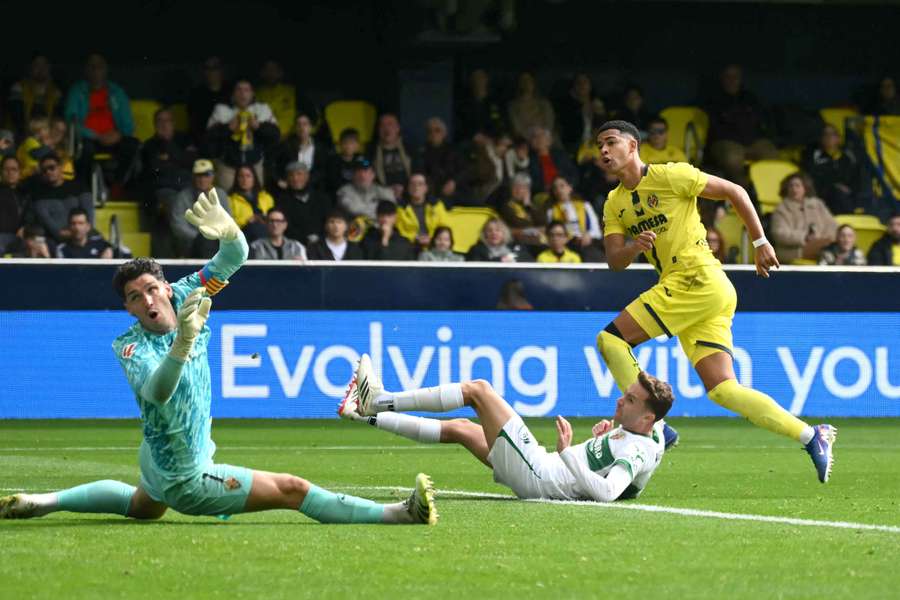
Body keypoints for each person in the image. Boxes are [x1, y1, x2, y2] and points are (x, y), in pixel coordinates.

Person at [0, 190, 436, 525]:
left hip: (156, 458)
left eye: (152, 288)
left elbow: (234, 257)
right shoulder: (130, 346)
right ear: (129, 309)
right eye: (135, 297)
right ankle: (400, 514)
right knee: (293, 489)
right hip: (187, 477)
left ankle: (45, 502)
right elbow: (157, 390)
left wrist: (230, 233)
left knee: (142, 506)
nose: (148, 299)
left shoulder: (189, 291)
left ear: (166, 289)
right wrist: (182, 345)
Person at [595, 119, 836, 483]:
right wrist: (634, 247)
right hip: (706, 290)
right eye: (599, 145)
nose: (603, 151)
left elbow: (735, 191)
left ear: (633, 146)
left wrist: (759, 242)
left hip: (696, 278)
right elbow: (615, 261)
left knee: (610, 339)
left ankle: (654, 427)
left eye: (611, 142)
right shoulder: (615, 204)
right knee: (724, 389)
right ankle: (810, 435)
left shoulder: (671, 175)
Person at [340, 355, 671, 503]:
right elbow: (665, 437)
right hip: (543, 469)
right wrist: (599, 444)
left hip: (542, 474)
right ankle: (360, 413)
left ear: (646, 419)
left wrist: (568, 453)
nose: (619, 401)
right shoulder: (647, 432)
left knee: (479, 390)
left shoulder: (637, 450)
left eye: (629, 400)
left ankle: (379, 401)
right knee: (461, 429)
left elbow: (609, 493)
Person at [64, 54, 139, 185]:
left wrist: (119, 134)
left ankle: (118, 185)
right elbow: (71, 121)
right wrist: (96, 136)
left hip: (114, 138)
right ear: (86, 70)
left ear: (106, 69)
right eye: (92, 67)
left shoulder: (116, 92)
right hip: (89, 139)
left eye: (100, 67)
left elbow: (128, 123)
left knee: (132, 145)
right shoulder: (77, 91)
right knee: (84, 149)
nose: (96, 71)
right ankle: (85, 187)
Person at [206, 80, 280, 190]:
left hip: (254, 165)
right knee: (226, 203)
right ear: (233, 93)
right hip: (228, 166)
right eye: (239, 90)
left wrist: (259, 127)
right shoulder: (222, 109)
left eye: (246, 90)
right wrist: (228, 128)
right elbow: (209, 137)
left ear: (252, 93)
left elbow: (276, 135)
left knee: (255, 200)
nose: (242, 94)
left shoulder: (262, 109)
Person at [704, 64, 777, 169]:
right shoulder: (711, 101)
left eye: (735, 77)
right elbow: (714, 131)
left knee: (771, 155)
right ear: (722, 79)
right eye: (728, 77)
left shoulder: (750, 99)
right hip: (727, 143)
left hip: (752, 141)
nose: (732, 80)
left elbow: (761, 124)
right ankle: (742, 185)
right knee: (732, 159)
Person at [139, 108, 196, 222]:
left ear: (173, 123)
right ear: (154, 124)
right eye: (160, 121)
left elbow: (191, 162)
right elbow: (155, 168)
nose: (164, 124)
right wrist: (178, 158)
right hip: (164, 189)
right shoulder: (149, 145)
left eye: (167, 120)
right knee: (177, 203)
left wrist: (169, 148)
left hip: (187, 186)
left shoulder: (185, 139)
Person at [770, 172, 837, 263]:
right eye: (791, 186)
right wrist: (805, 237)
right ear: (786, 189)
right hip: (794, 250)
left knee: (837, 243)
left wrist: (820, 238)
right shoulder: (781, 209)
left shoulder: (817, 204)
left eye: (798, 186)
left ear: (805, 188)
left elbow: (832, 225)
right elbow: (779, 234)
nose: (794, 189)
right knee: (830, 249)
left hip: (823, 243)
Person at [27, 153, 93, 243]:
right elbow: (47, 222)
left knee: (107, 248)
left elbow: (89, 216)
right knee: (36, 241)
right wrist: (61, 233)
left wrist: (80, 233)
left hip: (84, 236)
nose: (48, 172)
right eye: (44, 170)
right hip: (53, 239)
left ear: (60, 167)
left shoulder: (80, 188)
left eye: (52, 167)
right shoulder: (37, 196)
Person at [169, 159, 230, 258]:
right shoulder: (183, 196)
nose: (202, 179)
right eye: (199, 175)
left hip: (217, 240)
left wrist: (216, 236)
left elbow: (228, 221)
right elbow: (178, 225)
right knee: (205, 244)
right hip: (191, 243)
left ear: (213, 176)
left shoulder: (221, 195)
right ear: (193, 177)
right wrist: (199, 237)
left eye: (206, 175)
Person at [803, 124, 867, 216]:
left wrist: (850, 189)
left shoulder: (848, 157)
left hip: (847, 196)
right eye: (825, 134)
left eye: (832, 134)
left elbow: (857, 178)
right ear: (821, 139)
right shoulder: (813, 156)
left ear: (839, 139)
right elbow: (811, 177)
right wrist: (833, 185)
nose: (829, 137)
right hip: (822, 194)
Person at [545, 175, 603, 262]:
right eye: (555, 188)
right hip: (567, 245)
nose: (559, 190)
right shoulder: (551, 211)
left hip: (589, 243)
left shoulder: (585, 206)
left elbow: (596, 231)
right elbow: (553, 234)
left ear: (570, 188)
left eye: (562, 186)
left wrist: (588, 236)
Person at [276, 161, 332, 248]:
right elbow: (285, 226)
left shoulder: (322, 198)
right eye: (291, 175)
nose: (295, 178)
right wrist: (304, 239)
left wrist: (319, 238)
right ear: (287, 179)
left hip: (323, 244)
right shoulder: (282, 201)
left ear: (307, 176)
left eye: (299, 174)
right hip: (293, 246)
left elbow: (329, 220)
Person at [8, 55, 63, 139]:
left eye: (44, 65)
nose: (41, 69)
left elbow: (56, 119)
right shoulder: (19, 87)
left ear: (49, 68)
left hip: (46, 136)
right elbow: (17, 119)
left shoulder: (55, 92)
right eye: (37, 65)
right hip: (21, 135)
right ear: (30, 68)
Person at [273, 113, 329, 190]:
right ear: (295, 128)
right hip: (289, 186)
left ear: (311, 127)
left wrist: (307, 182)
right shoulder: (286, 145)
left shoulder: (319, 147)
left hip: (312, 186)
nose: (301, 127)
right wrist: (279, 180)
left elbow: (322, 170)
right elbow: (272, 164)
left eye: (305, 124)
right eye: (298, 124)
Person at [416, 117, 465, 202]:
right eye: (430, 131)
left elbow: (464, 170)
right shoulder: (421, 152)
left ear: (444, 133)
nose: (433, 133)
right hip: (432, 192)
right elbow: (421, 174)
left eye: (437, 130)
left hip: (455, 189)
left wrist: (454, 182)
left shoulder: (454, 150)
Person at [557, 73, 607, 155]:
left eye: (585, 82)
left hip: (596, 147)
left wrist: (599, 113)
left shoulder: (597, 104)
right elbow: (568, 130)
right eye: (578, 83)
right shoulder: (566, 107)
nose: (582, 86)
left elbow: (603, 129)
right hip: (574, 148)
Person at [395, 173, 450, 248]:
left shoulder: (436, 205)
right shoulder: (401, 208)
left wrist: (432, 238)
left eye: (420, 184)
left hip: (434, 245)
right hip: (410, 246)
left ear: (426, 188)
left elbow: (444, 226)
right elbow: (400, 231)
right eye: (412, 184)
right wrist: (415, 238)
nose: (416, 187)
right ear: (408, 188)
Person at [187, 57, 231, 148]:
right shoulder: (196, 94)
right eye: (207, 68)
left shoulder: (231, 92)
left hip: (229, 142)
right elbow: (194, 123)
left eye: (214, 68)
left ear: (221, 70)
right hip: (204, 143)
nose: (211, 72)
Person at [454, 68, 505, 143]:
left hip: (492, 141)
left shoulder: (493, 104)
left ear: (486, 79)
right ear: (471, 82)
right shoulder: (464, 105)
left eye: (481, 78)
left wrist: (495, 138)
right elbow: (462, 127)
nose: (479, 81)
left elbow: (496, 121)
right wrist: (474, 136)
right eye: (476, 79)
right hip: (471, 142)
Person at [228, 164, 275, 243]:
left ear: (254, 178)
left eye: (248, 176)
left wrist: (265, 219)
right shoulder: (230, 200)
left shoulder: (266, 197)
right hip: (242, 233)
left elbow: (275, 216)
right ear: (237, 179)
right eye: (241, 176)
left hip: (267, 230)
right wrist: (248, 220)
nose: (244, 179)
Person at [498, 173, 545, 250]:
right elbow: (518, 223)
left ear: (528, 190)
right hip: (518, 242)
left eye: (523, 187)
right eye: (516, 187)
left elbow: (543, 222)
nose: (519, 190)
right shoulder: (506, 206)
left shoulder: (532, 206)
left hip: (536, 241)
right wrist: (535, 229)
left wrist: (528, 205)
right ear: (511, 189)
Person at [370, 113, 411, 199]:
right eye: (382, 125)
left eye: (390, 124)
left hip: (409, 192)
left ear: (397, 128)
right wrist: (386, 190)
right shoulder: (371, 150)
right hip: (381, 195)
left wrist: (405, 188)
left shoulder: (409, 148)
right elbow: (367, 171)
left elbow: (418, 171)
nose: (386, 129)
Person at [528, 126, 578, 195]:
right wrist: (545, 189)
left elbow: (573, 173)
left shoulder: (560, 155)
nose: (538, 139)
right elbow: (531, 181)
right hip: (544, 193)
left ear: (549, 140)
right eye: (535, 136)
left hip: (565, 189)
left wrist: (567, 185)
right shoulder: (529, 159)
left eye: (541, 136)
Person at [507, 72, 555, 141]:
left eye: (529, 80)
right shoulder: (512, 106)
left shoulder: (544, 104)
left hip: (546, 140)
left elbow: (549, 124)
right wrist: (532, 138)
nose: (526, 84)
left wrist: (542, 137)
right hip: (524, 142)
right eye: (523, 81)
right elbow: (517, 129)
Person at [465, 217, 533, 262]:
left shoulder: (516, 247)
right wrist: (500, 260)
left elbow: (530, 263)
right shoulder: (476, 250)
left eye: (498, 230)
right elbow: (475, 269)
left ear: (504, 233)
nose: (494, 233)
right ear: (484, 234)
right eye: (489, 230)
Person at [325, 128, 364, 195]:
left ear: (357, 145)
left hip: (359, 194)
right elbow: (333, 183)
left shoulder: (362, 159)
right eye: (345, 143)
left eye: (351, 143)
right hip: (340, 195)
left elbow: (367, 171)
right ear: (340, 144)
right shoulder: (333, 161)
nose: (348, 146)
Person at [0, 157, 25, 252]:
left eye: (14, 169)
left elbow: (32, 216)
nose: (10, 172)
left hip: (24, 237)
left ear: (20, 172)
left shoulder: (26, 193)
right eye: (6, 169)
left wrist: (26, 228)